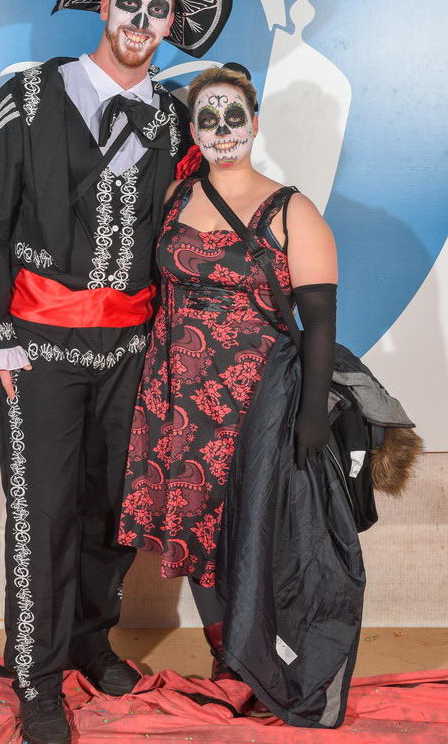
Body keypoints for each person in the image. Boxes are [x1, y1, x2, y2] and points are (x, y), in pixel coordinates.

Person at [0, 0, 232, 744]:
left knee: (113, 507)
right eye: (129, 3)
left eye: (158, 10)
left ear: (172, 26)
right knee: (42, 511)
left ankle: (86, 640)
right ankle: (37, 678)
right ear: (103, 7)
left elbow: (185, 229)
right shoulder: (32, 94)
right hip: (37, 344)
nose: (142, 21)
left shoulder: (174, 118)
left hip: (132, 349)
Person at [118, 64, 338, 679]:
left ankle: (262, 656)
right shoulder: (175, 197)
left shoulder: (292, 209)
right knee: (193, 524)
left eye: (233, 116)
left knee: (251, 529)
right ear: (193, 130)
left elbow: (321, 322)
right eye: (207, 118)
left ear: (255, 124)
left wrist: (312, 414)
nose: (221, 129)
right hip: (176, 397)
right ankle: (229, 663)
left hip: (256, 401)